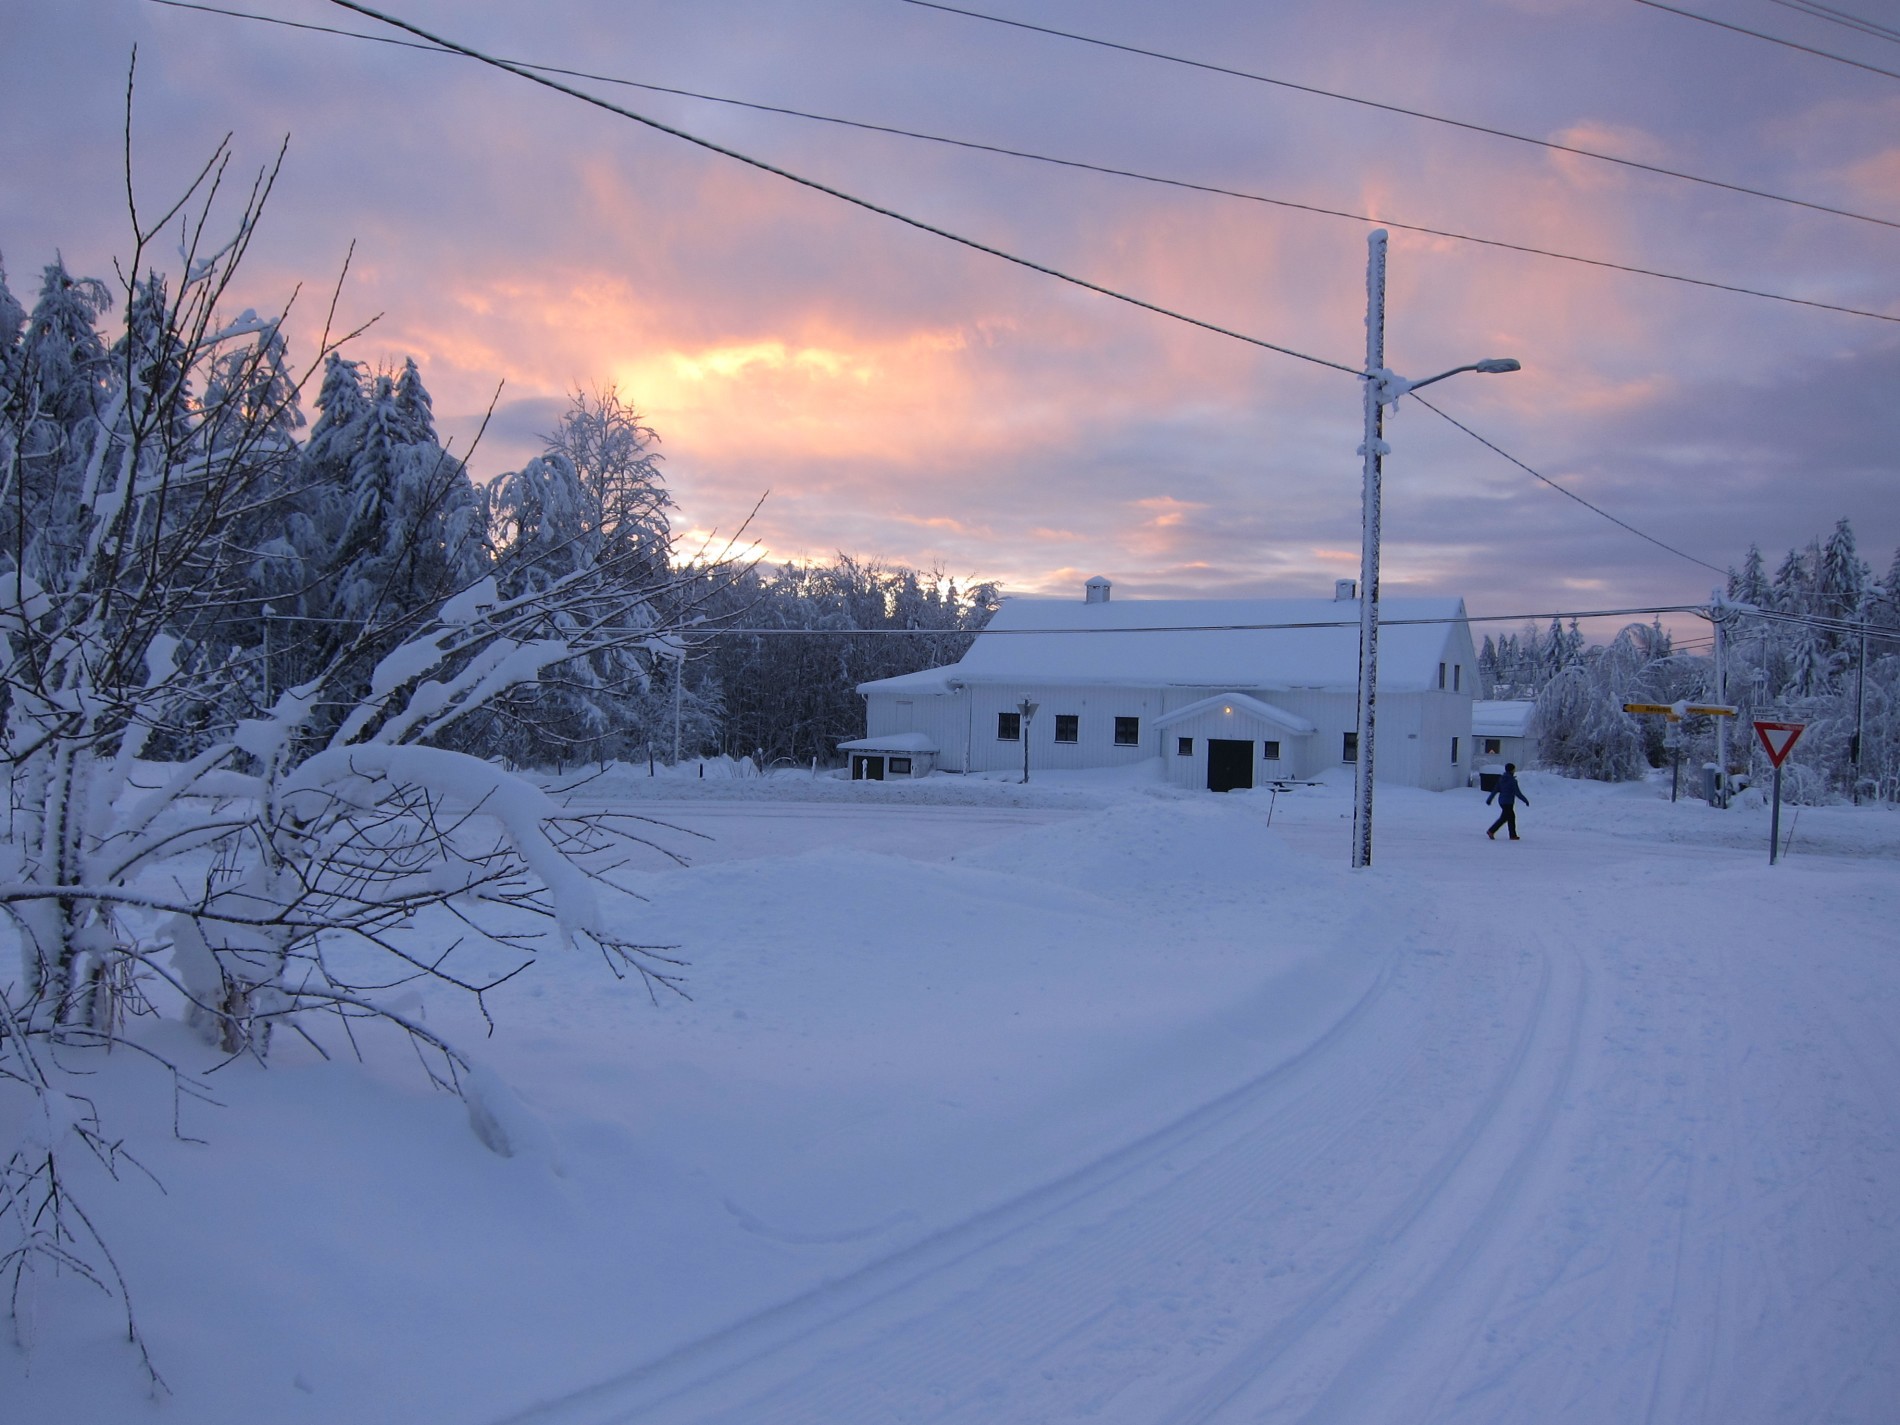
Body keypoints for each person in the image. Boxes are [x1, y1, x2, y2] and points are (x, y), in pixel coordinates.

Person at [1486, 763, 1529, 840]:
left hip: (1502, 801)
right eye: (1514, 769)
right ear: (1512, 770)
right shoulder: (1512, 781)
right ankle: (1491, 831)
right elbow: (1517, 793)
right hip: (1509, 802)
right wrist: (1525, 800)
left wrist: (1489, 799)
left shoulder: (1501, 779)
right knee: (1505, 817)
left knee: (1510, 817)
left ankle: (1512, 835)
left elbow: (1495, 790)